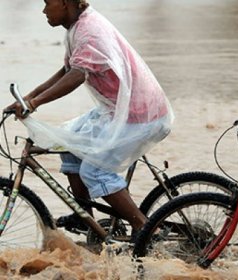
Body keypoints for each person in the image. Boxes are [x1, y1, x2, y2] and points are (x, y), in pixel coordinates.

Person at [6, 0, 173, 238]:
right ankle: (84, 217)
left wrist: (34, 103)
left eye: (47, 3)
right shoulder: (77, 27)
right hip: (117, 109)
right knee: (67, 145)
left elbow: (77, 76)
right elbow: (67, 70)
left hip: (139, 114)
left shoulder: (89, 31)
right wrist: (29, 97)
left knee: (94, 171)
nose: (44, 10)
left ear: (64, 3)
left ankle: (145, 230)